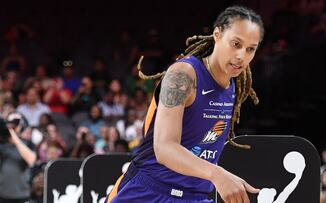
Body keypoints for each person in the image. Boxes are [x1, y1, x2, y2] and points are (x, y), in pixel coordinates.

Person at [106, 5, 264, 203]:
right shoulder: (183, 74)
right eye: (235, 44)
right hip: (147, 193)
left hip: (193, 197)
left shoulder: (231, 86)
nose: (242, 56)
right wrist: (217, 174)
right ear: (217, 35)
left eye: (250, 49)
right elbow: (164, 147)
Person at [0, 113, 37, 203]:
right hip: (2, 194)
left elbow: (31, 160)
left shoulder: (28, 143)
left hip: (21, 195)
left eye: (16, 122)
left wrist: (14, 136)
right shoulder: (2, 144)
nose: (12, 125)